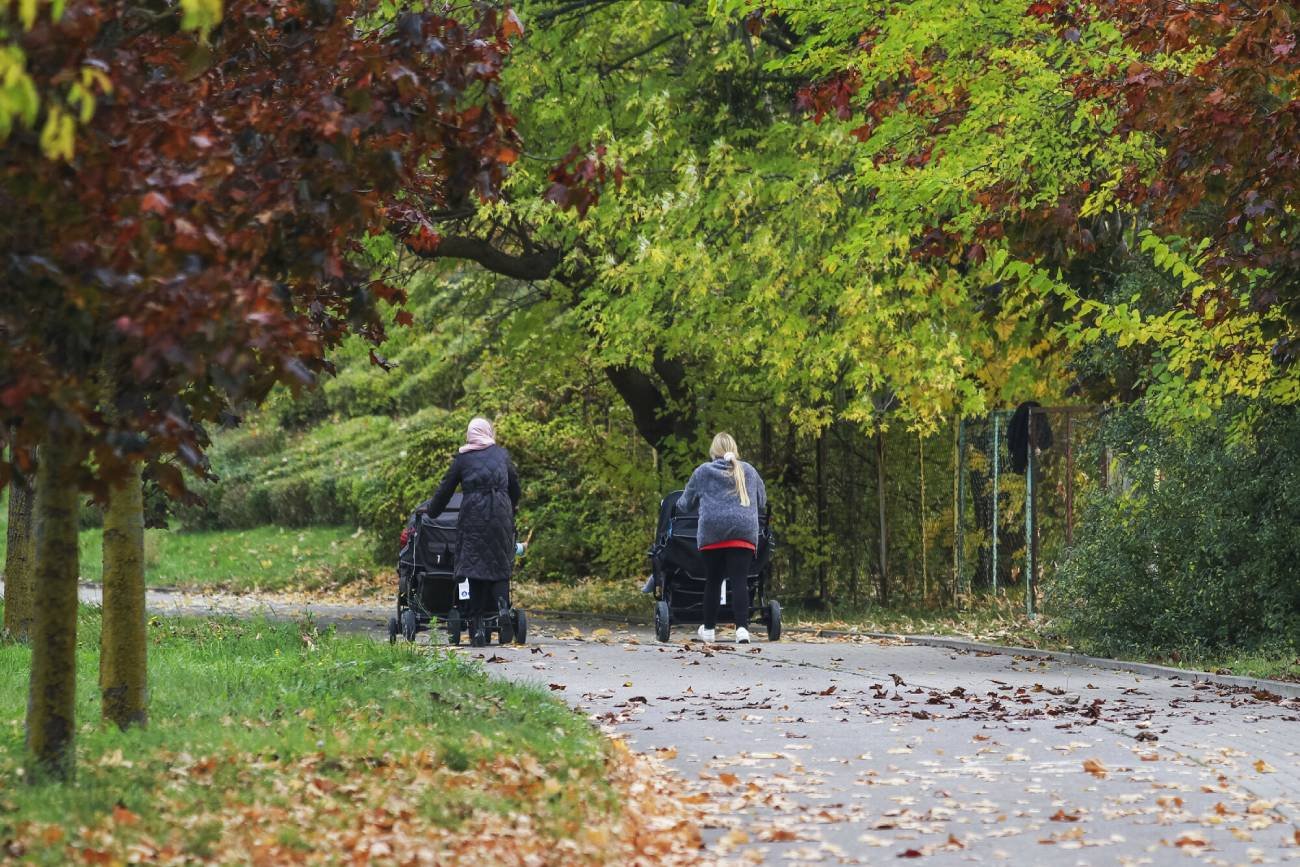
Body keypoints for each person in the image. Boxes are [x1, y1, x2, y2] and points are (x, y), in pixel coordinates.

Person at [419, 417, 521, 646]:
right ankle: (503, 607)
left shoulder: (463, 459)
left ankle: (476, 626)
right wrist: (511, 508)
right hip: (501, 514)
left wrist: (432, 512)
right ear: (488, 432)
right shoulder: (501, 454)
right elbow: (515, 486)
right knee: (499, 566)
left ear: (470, 435)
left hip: (474, 515)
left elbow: (445, 489)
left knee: (474, 568)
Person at [676, 432, 766, 643]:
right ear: (734, 449)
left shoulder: (703, 472)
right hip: (743, 532)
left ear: (713, 451)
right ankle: (742, 630)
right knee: (740, 581)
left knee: (713, 581)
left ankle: (708, 630)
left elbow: (685, 503)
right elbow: (761, 501)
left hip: (712, 533)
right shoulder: (749, 471)